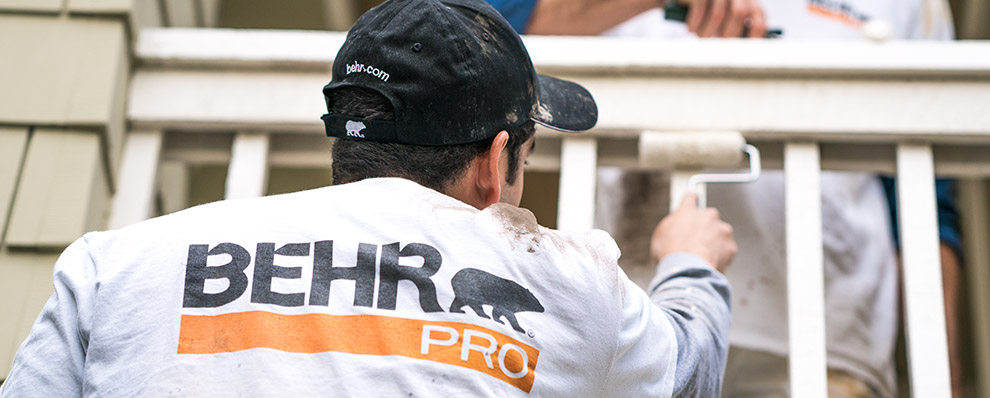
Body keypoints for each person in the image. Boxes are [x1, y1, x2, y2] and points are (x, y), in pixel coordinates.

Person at [0, 0, 740, 396]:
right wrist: (689, 265)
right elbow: (686, 374)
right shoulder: (570, 281)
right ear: (495, 162)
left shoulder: (113, 266)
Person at [485, 0, 963, 397]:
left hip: (828, 337)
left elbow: (928, 209)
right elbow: (480, 30)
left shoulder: (914, 7)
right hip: (635, 329)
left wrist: (948, 381)